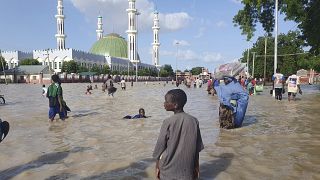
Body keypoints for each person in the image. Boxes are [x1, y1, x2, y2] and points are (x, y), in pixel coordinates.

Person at [153, 89, 204, 179]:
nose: (164, 103)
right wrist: (196, 166)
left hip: (167, 170)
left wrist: (157, 166)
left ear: (175, 105)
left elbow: (160, 147)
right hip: (187, 170)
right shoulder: (194, 121)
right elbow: (197, 148)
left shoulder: (167, 122)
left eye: (166, 101)